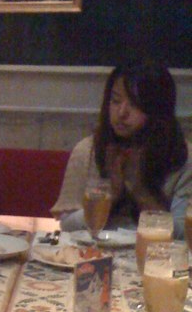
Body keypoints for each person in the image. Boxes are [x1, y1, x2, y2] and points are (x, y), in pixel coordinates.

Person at [52, 61, 192, 238]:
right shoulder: (87, 150)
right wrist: (110, 196)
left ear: (158, 109)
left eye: (135, 104)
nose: (122, 113)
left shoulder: (184, 157)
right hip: (94, 249)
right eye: (115, 101)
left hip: (154, 252)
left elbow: (183, 234)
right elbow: (67, 225)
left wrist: (140, 191)